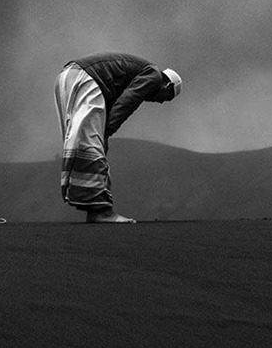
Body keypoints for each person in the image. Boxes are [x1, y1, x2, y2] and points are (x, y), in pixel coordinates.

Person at [54, 52, 182, 223]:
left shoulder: (132, 76)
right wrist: (107, 132)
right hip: (85, 79)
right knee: (91, 143)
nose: (159, 102)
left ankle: (91, 204)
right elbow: (128, 102)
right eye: (165, 98)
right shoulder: (154, 75)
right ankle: (101, 211)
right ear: (167, 86)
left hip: (66, 77)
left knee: (79, 142)